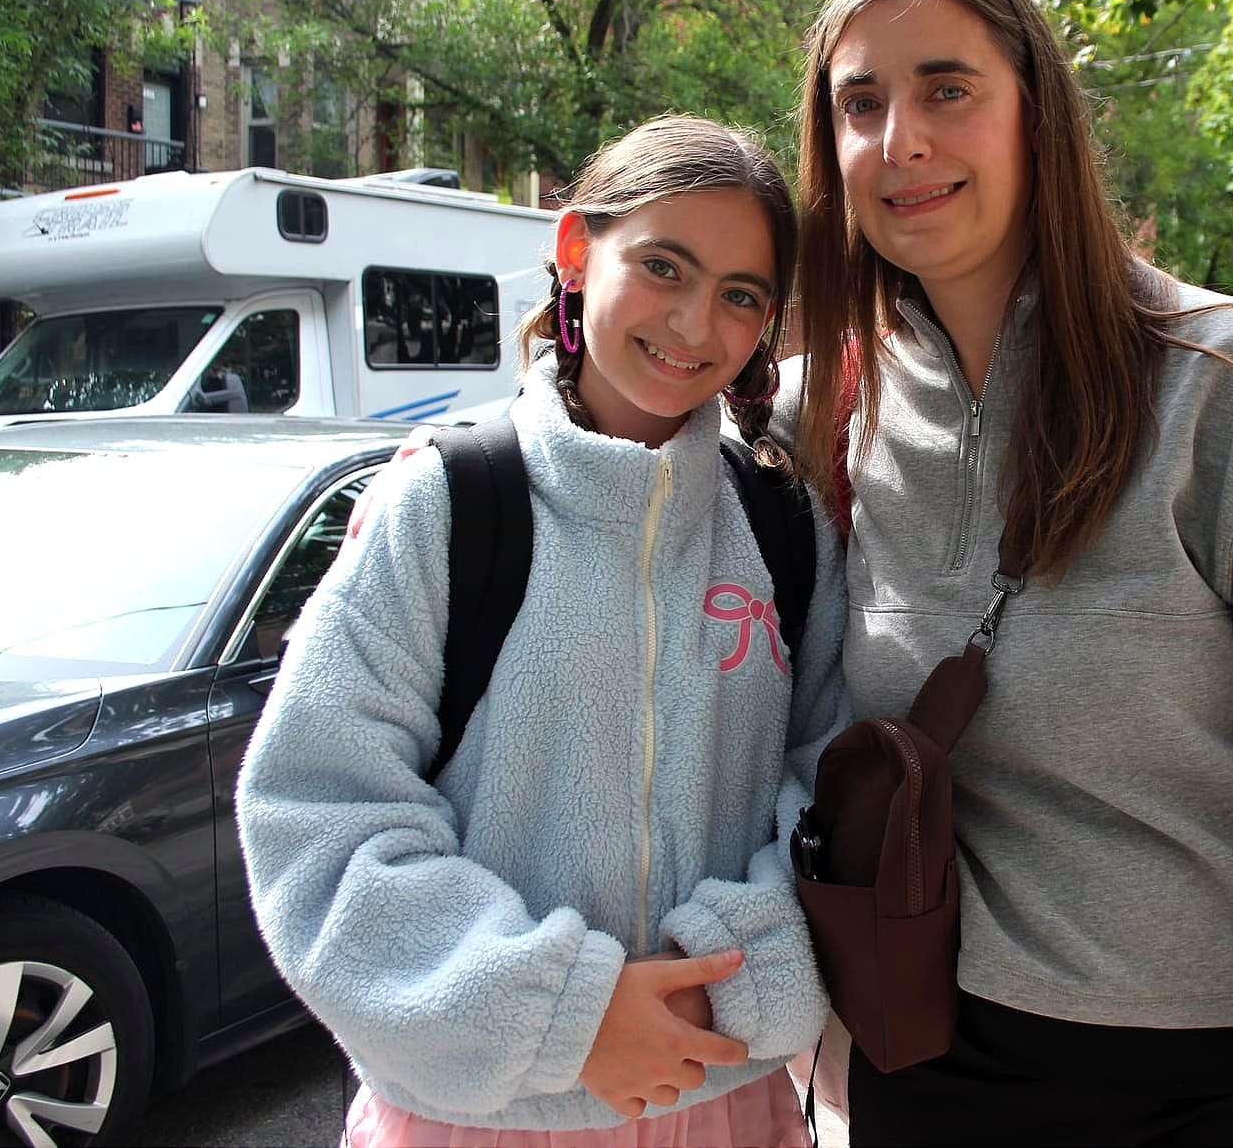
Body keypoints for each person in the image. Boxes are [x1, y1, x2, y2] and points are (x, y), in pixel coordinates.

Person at [786, 0, 1233, 1147]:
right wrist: (481, 456)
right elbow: (633, 433)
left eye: (947, 89)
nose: (900, 142)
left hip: (1216, 1080)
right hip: (926, 1061)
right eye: (859, 103)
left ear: (1036, 112)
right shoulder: (821, 404)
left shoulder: (1225, 383)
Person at [236, 117, 850, 1148]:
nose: (695, 323)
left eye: (741, 294)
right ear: (573, 251)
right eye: (662, 266)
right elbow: (317, 818)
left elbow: (833, 792)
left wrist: (721, 982)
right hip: (474, 1119)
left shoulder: (783, 526)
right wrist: (566, 1014)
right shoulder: (445, 503)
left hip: (726, 1106)